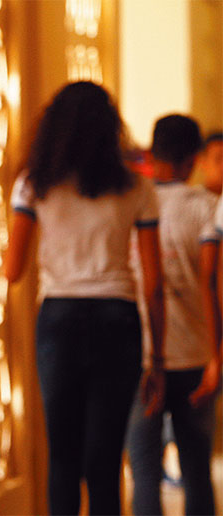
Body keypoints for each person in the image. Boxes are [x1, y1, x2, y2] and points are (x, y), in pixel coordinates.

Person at [4, 81, 165, 515]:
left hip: (60, 318)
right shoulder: (137, 188)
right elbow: (152, 283)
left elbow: (12, 269)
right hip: (119, 319)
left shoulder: (34, 185)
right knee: (105, 461)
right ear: (111, 127)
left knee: (63, 457)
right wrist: (158, 360)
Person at [125, 115, 218, 516]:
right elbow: (214, 286)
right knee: (197, 471)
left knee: (144, 471)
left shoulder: (131, 203)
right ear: (194, 158)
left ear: (152, 152)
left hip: (141, 356)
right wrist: (218, 355)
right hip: (196, 357)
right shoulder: (208, 209)